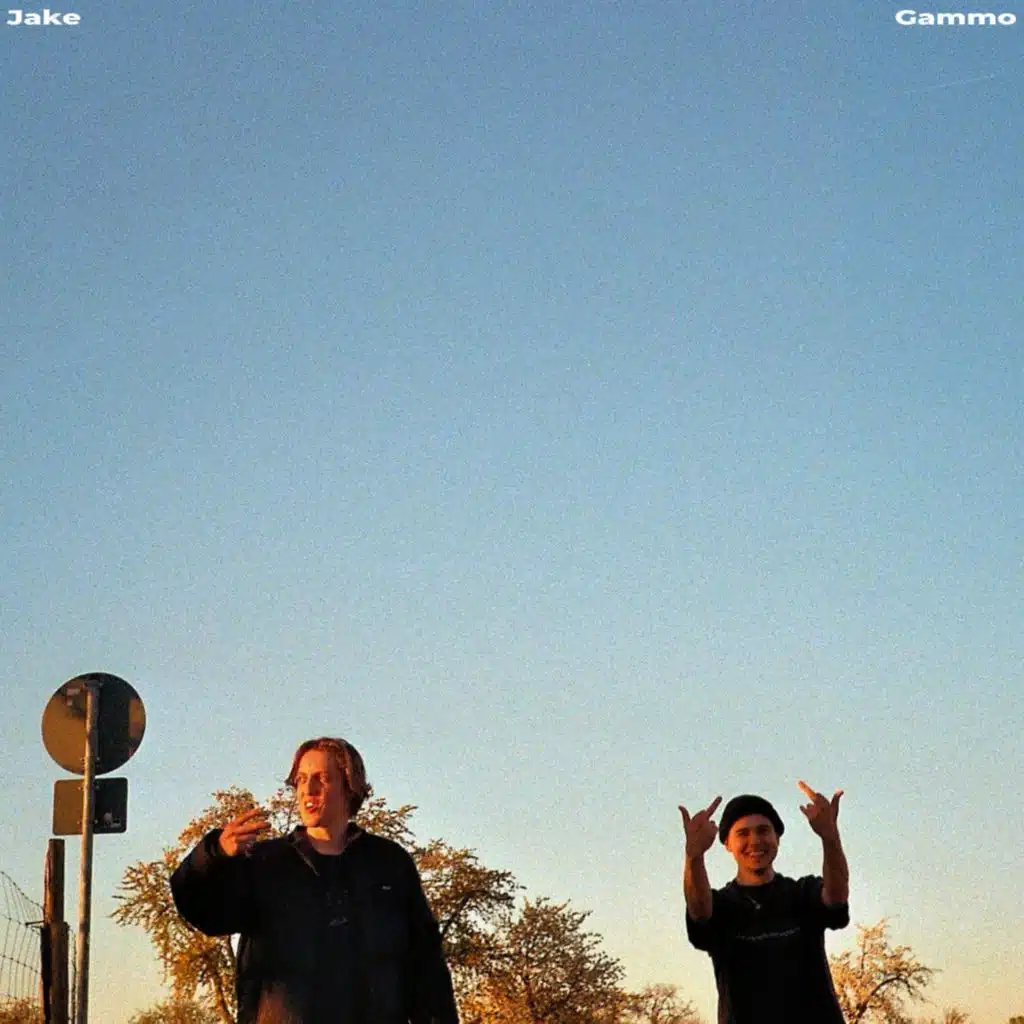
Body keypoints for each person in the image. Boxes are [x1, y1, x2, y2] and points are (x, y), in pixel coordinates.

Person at [170, 736, 459, 1024]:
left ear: (350, 786)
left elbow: (427, 971)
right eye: (301, 779)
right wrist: (214, 854)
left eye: (322, 778)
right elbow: (201, 910)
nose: (308, 789)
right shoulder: (264, 864)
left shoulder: (390, 864)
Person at [678, 782, 849, 1024]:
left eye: (763, 831)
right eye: (743, 833)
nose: (755, 840)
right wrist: (694, 856)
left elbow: (836, 897)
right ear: (727, 844)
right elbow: (699, 912)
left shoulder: (803, 893)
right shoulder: (721, 905)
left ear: (777, 838)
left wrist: (830, 837)